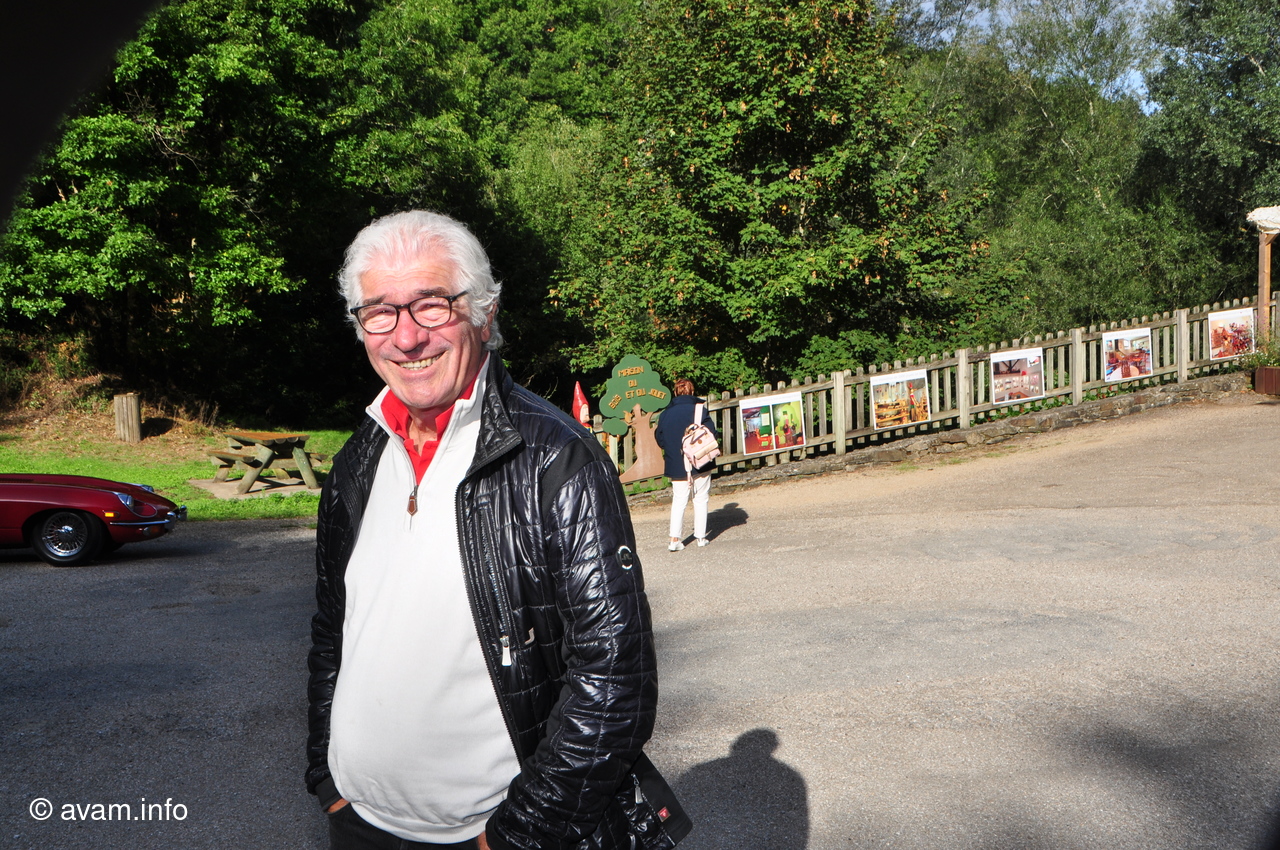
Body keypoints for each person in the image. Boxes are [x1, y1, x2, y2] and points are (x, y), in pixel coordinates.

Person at [307, 211, 690, 850]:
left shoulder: (557, 459)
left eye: (431, 305)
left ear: (484, 314)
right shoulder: (358, 460)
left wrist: (518, 834)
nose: (406, 337)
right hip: (357, 822)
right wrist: (326, 776)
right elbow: (332, 629)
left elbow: (614, 679)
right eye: (380, 312)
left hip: (488, 834)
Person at [654, 379, 719, 551]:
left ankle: (674, 539)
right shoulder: (699, 409)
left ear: (675, 393)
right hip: (700, 460)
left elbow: (660, 439)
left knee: (679, 500)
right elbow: (712, 433)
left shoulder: (665, 414)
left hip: (676, 462)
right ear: (692, 392)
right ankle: (701, 537)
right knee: (701, 497)